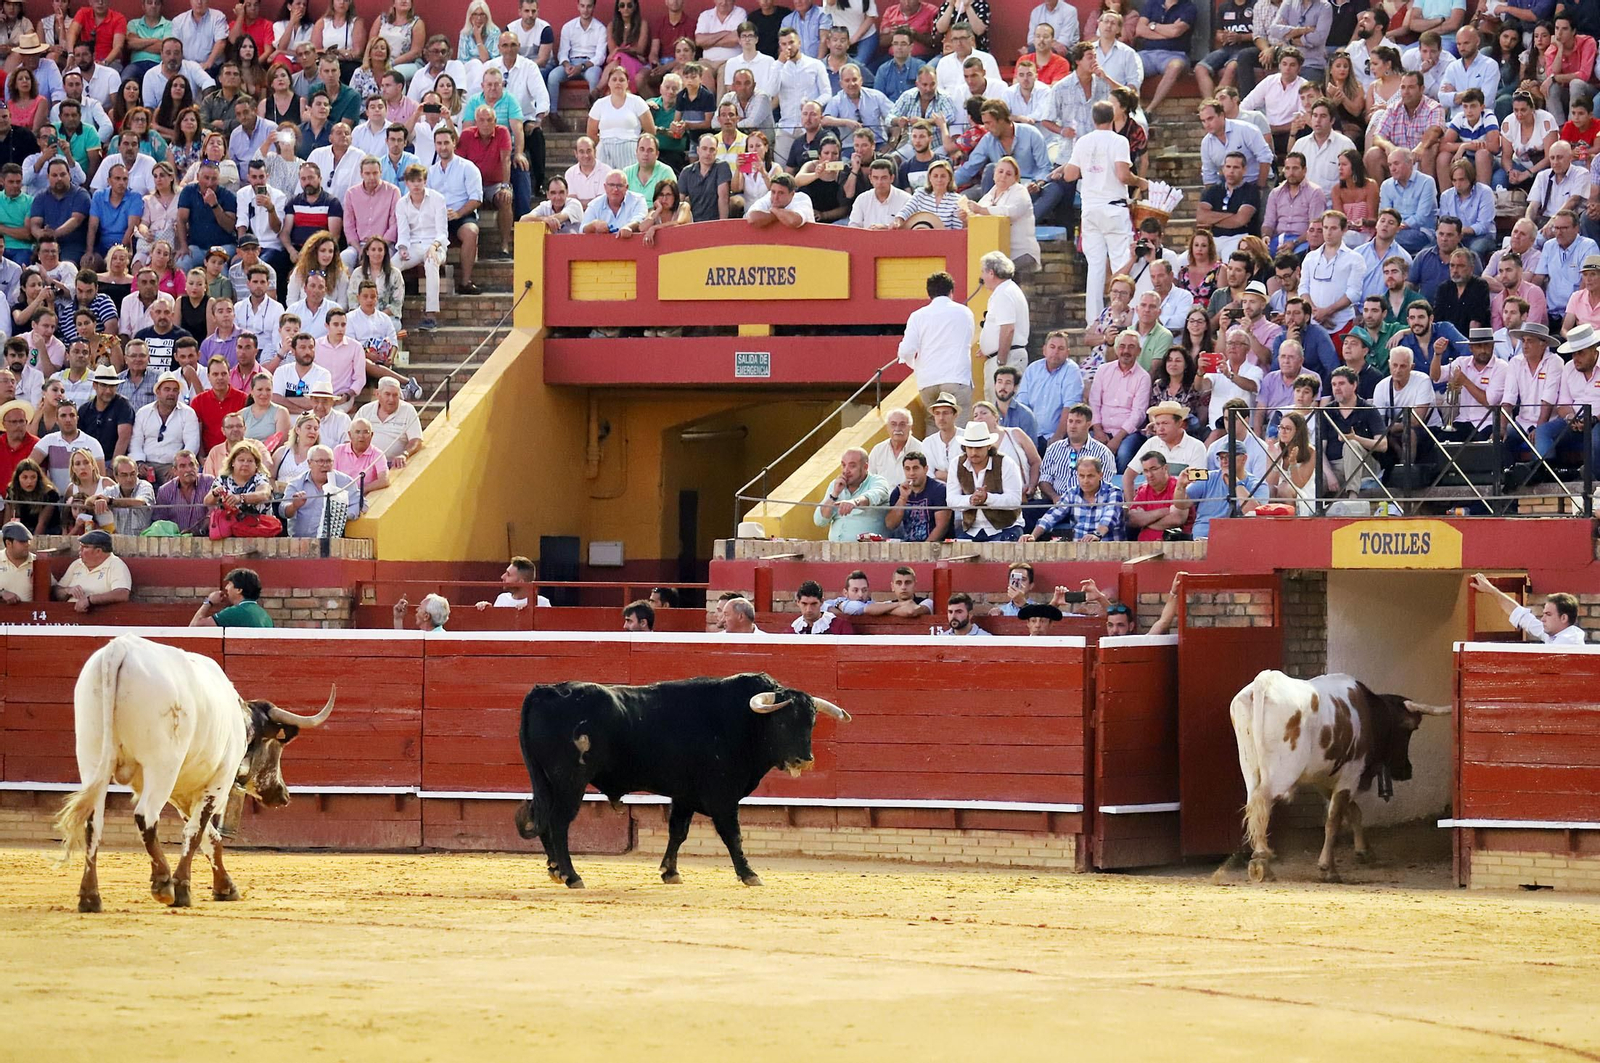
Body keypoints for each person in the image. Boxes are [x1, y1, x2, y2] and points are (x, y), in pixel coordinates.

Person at [1054, 101, 1147, 322]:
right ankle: (1127, 316)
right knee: (1121, 262)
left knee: (1095, 267)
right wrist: (1141, 182)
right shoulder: (1119, 141)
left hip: (1090, 209)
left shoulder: (1083, 141)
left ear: (1093, 118)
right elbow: (1123, 175)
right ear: (1113, 117)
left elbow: (1070, 175)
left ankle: (1093, 321)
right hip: (1113, 207)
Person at [897, 270, 975, 425]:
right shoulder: (964, 312)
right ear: (951, 291)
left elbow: (906, 350)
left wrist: (915, 364)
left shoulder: (917, 316)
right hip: (956, 377)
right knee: (959, 429)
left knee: (933, 425)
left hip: (928, 380)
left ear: (929, 294)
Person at [946, 419, 1024, 541]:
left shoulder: (1006, 463)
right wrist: (971, 500)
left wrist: (987, 498)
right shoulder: (956, 464)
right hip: (971, 530)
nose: (973, 452)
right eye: (970, 448)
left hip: (1006, 528)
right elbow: (951, 500)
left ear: (988, 446)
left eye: (978, 448)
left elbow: (1015, 500)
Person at [1027, 453, 1124, 540]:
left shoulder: (1114, 492)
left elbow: (1110, 517)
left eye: (1090, 476)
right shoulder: (1072, 493)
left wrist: (1097, 535)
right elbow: (1051, 516)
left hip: (1109, 550)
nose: (1085, 480)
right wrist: (1033, 536)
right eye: (1081, 476)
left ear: (1100, 475)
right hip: (1079, 550)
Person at [1471, 572, 1586, 644]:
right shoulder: (1555, 633)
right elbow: (1521, 615)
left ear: (1563, 618)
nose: (1543, 619)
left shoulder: (1567, 640)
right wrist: (1491, 590)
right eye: (1544, 614)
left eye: (1548, 614)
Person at [814, 445, 890, 540]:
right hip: (835, 550)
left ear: (865, 467)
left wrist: (854, 502)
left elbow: (874, 495)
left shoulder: (878, 481)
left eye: (852, 466)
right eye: (844, 465)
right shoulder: (836, 484)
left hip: (869, 551)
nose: (846, 470)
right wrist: (834, 495)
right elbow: (820, 521)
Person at [53, 528, 130, 613]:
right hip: (67, 618)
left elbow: (122, 594)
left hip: (99, 618)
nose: (79, 550)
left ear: (98, 551)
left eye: (85, 547)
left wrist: (90, 600)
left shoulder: (115, 564)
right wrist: (67, 591)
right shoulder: (77, 564)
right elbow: (56, 592)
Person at [190, 566, 274, 627]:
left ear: (239, 590)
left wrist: (208, 602)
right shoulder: (265, 615)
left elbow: (194, 627)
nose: (226, 588)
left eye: (230, 584)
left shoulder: (236, 612)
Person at [474, 556, 553, 609]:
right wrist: (487, 610)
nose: (502, 577)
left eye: (508, 575)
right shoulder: (502, 598)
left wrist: (532, 612)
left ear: (521, 582)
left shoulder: (542, 603)